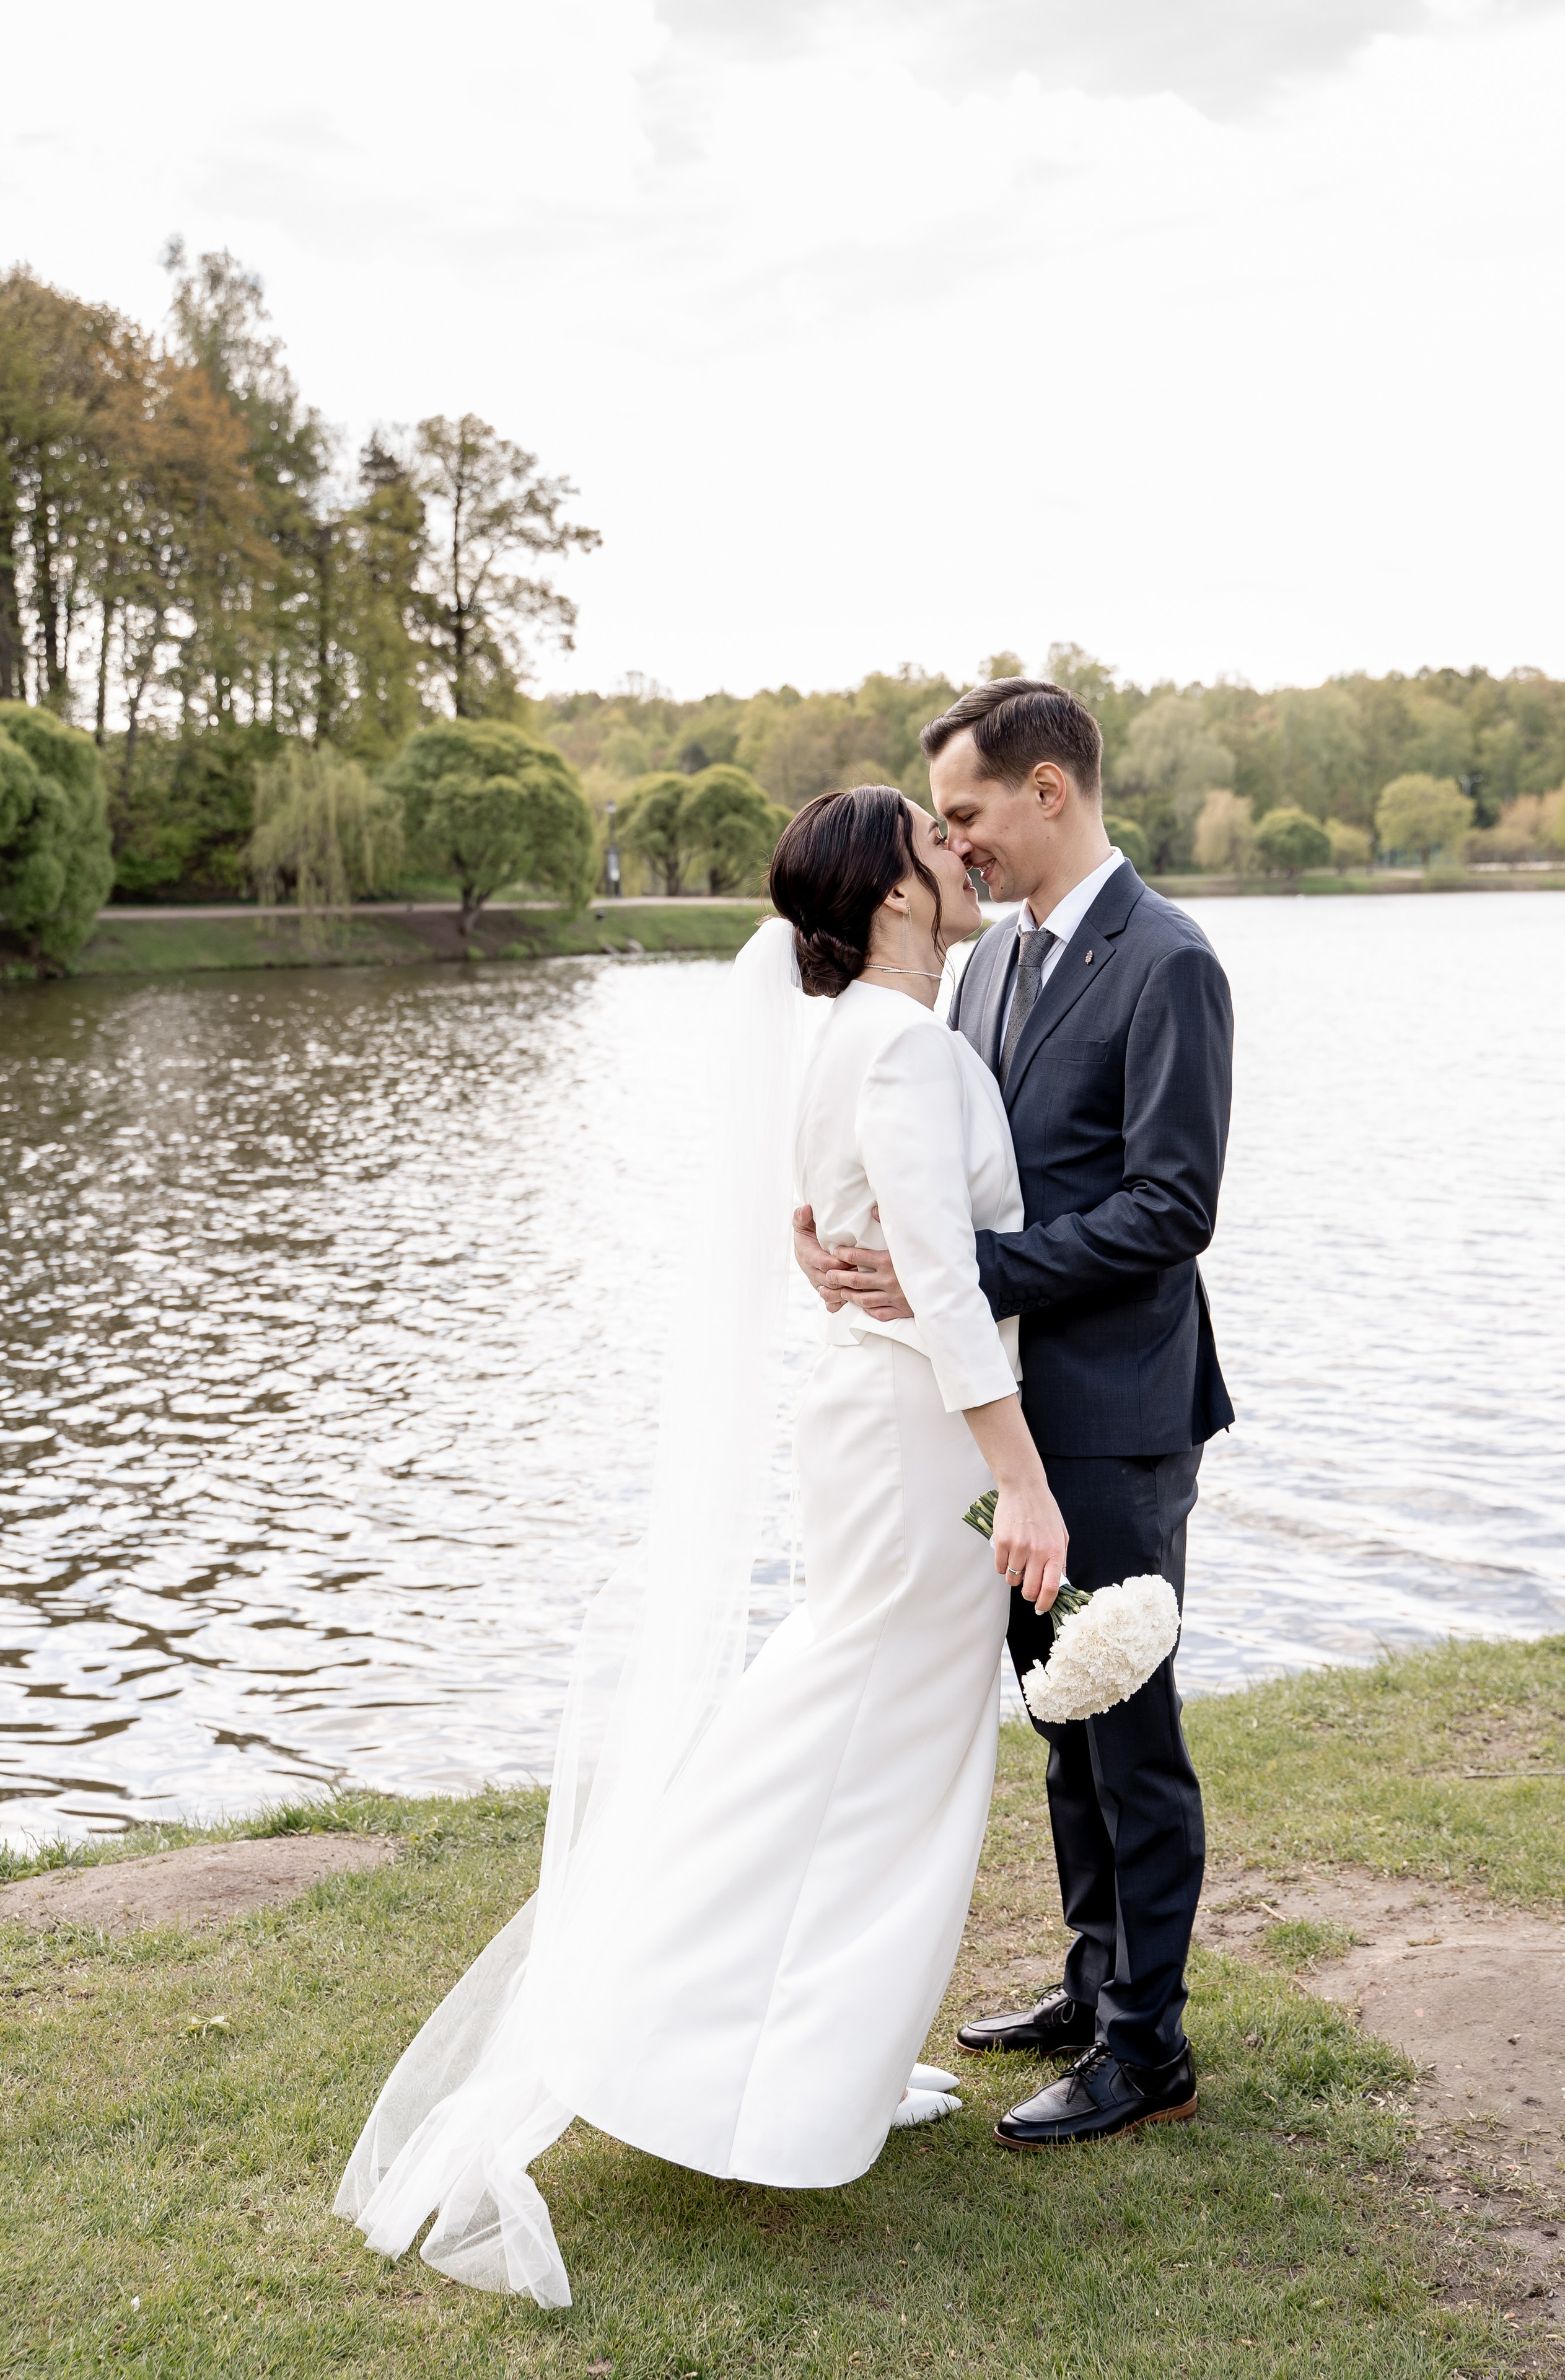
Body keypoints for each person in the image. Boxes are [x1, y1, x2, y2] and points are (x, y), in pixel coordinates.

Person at [335, 783, 1070, 2307]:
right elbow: (937, 1273)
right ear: (887, 899)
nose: (960, 855)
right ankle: (712, 2045)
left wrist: (842, 1271)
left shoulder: (840, 1042)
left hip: (873, 1419)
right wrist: (1022, 1479)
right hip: (921, 1424)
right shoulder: (908, 1044)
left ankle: (804, 2047)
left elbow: (830, 1230)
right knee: (868, 1734)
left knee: (863, 1728)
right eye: (937, 846)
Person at [797, 677, 1234, 2150]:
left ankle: (1146, 2046)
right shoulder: (980, 973)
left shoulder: (1165, 959)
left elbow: (1170, 1208)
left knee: (1126, 1721)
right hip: (999, 1421)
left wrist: (960, 1271)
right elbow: (932, 1155)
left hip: (1110, 1411)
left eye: (969, 811)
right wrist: (856, 1249)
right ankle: (1088, 1980)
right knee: (1059, 1720)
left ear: (1049, 792)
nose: (957, 843)